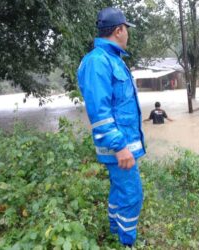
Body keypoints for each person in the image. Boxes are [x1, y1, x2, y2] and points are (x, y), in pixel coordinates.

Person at [77, 7, 145, 247]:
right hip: (120, 149)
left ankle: (116, 232)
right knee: (132, 195)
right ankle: (127, 242)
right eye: (126, 30)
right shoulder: (97, 62)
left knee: (120, 191)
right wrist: (120, 147)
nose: (128, 35)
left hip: (123, 146)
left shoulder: (112, 59)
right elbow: (100, 113)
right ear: (118, 30)